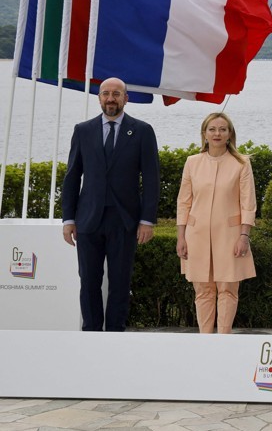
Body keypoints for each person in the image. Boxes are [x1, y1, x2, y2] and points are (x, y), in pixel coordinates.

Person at [61, 77, 160, 331]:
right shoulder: (82, 130)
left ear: (126, 98)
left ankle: (116, 333)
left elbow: (151, 179)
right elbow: (72, 176)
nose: (111, 98)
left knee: (120, 282)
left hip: (125, 220)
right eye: (106, 93)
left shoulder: (142, 131)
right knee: (89, 281)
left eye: (117, 93)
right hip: (88, 220)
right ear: (99, 98)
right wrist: (68, 219)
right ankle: (91, 333)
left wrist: (147, 220)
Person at [176, 112, 257, 334]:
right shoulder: (192, 163)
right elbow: (183, 202)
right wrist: (181, 237)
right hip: (196, 235)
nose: (217, 133)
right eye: (212, 129)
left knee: (228, 289)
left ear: (230, 134)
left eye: (222, 129)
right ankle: (205, 340)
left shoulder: (241, 163)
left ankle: (223, 339)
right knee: (202, 291)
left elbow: (248, 204)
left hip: (230, 236)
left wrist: (244, 236)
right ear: (204, 134)